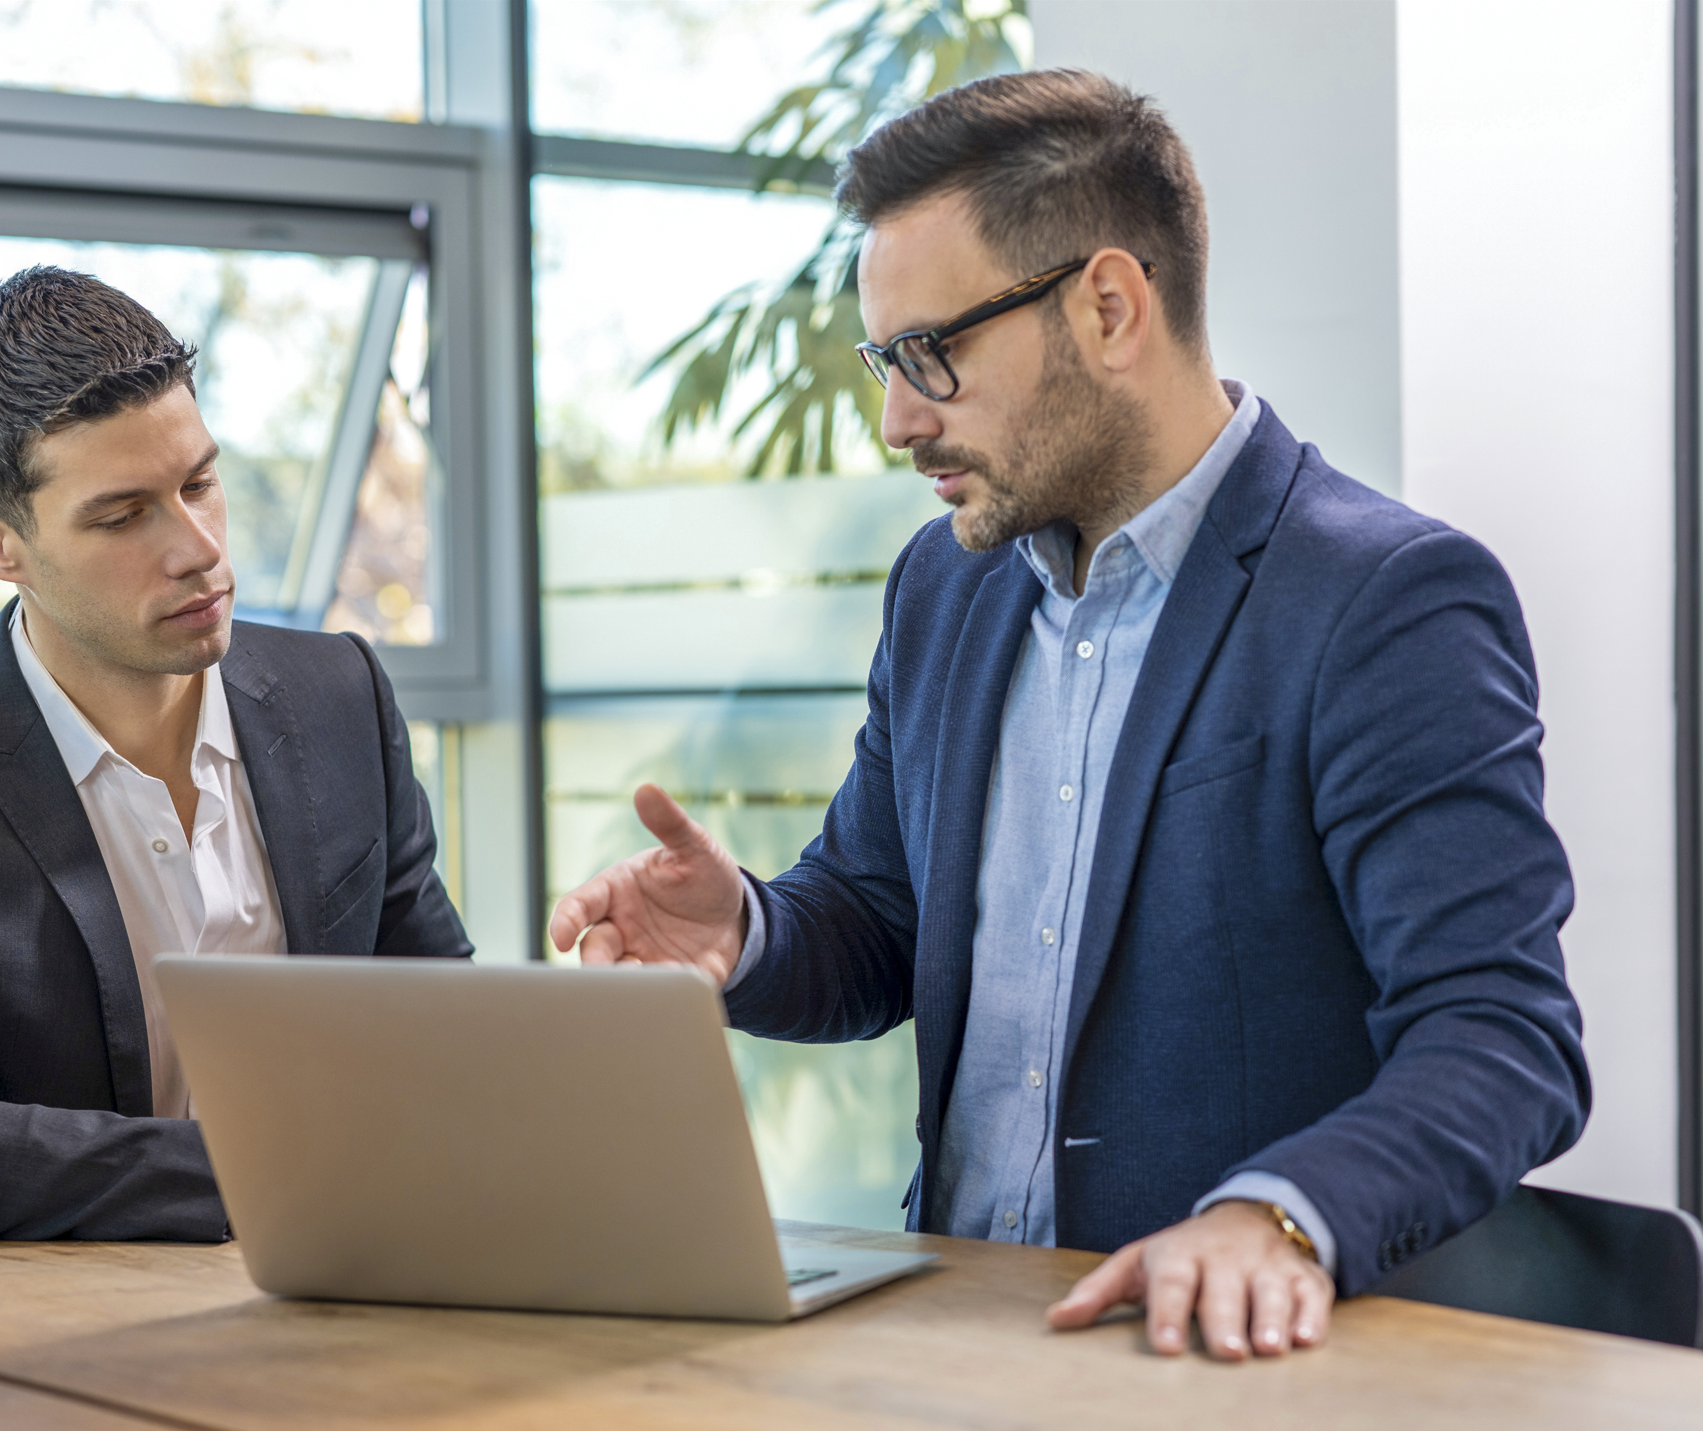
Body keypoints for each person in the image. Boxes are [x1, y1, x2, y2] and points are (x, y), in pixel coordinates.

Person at [548, 71, 1589, 1361]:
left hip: (1215, 1368)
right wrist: (748, 932)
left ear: (1107, 307)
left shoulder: (1384, 602)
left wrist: (1277, 1220)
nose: (895, 419)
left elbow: (1499, 1035)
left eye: (932, 355)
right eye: (885, 360)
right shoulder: (947, 587)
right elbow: (882, 919)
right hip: (954, 1341)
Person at [0, 266, 470, 1242]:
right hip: (52, 1353)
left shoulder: (340, 696)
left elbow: (441, 1024)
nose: (198, 550)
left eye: (199, 484)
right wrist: (280, 1173)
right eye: (122, 514)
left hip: (365, 1296)